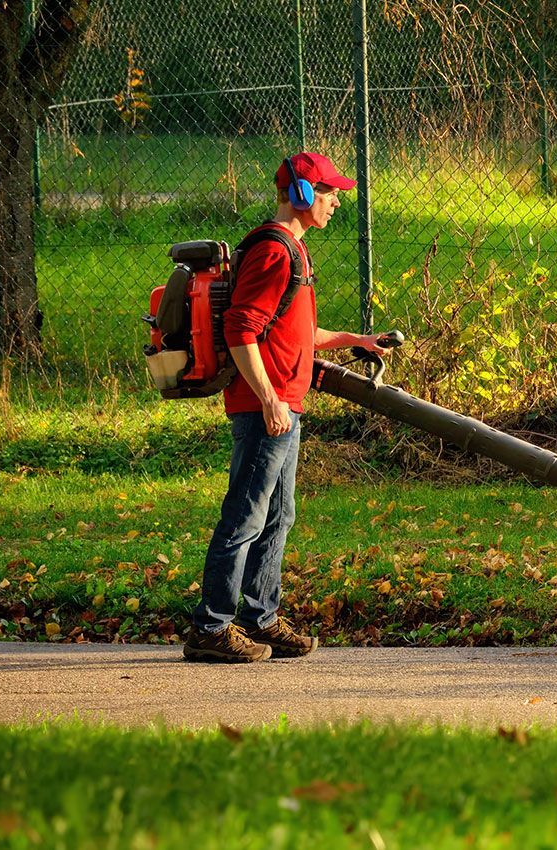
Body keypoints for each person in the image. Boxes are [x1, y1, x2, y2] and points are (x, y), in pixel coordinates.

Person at [183, 151, 394, 663]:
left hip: (282, 404)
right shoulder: (275, 252)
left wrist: (354, 339)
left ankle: (261, 619)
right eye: (328, 193)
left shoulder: (293, 252)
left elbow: (293, 330)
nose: (337, 202)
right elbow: (241, 328)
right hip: (266, 408)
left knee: (278, 516)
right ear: (301, 194)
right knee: (246, 516)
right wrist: (269, 398)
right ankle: (211, 627)